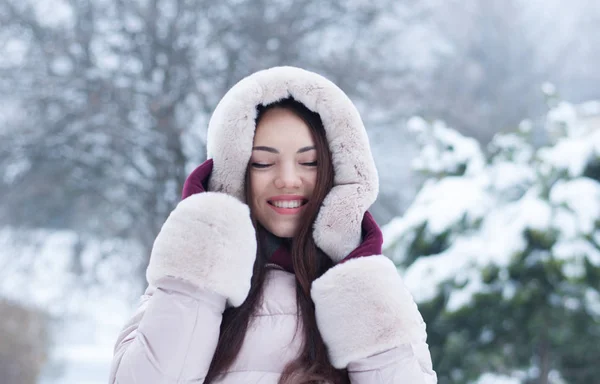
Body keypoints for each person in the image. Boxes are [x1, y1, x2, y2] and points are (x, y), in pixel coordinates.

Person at [108, 66, 437, 384]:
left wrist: (357, 279)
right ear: (236, 171)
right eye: (263, 163)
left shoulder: (375, 291)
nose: (288, 180)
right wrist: (206, 245)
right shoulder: (185, 281)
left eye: (309, 162)